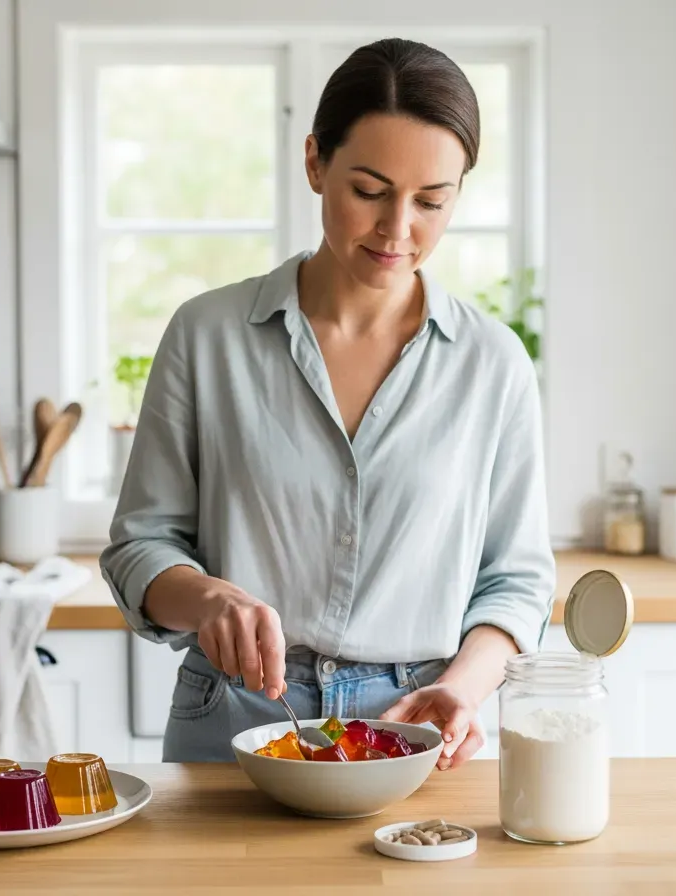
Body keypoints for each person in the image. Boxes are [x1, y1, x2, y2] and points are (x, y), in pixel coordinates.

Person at [99, 37, 555, 769]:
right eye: (370, 191)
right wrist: (210, 599)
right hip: (236, 717)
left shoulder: (492, 363)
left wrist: (465, 688)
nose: (398, 229)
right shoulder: (207, 335)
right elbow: (139, 545)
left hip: (417, 728)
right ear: (315, 162)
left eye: (431, 201)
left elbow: (517, 579)